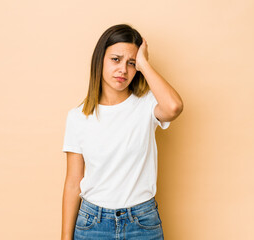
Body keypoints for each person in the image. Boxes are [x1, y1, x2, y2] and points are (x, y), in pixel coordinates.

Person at [61, 23, 183, 240]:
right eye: (115, 59)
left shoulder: (147, 105)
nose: (123, 70)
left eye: (132, 63)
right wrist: (64, 237)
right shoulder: (78, 116)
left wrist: (144, 64)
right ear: (100, 59)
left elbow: (174, 107)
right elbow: (73, 182)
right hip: (92, 224)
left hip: (142, 222)